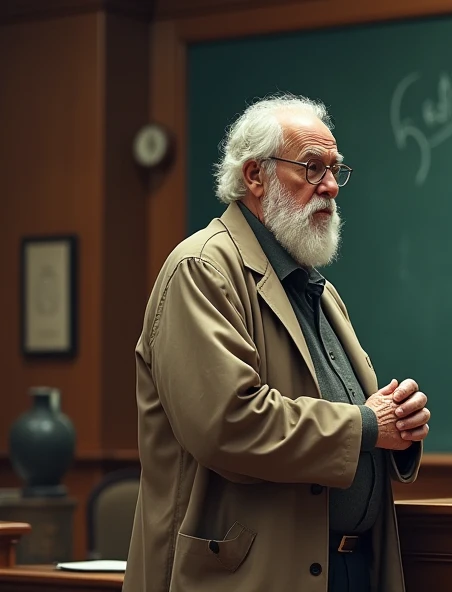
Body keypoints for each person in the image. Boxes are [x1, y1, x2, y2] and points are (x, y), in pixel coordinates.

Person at [123, 93, 430, 592]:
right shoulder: (202, 269)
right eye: (311, 168)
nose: (330, 186)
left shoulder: (317, 289)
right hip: (248, 576)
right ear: (255, 176)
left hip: (348, 569)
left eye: (334, 169)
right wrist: (371, 424)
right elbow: (229, 423)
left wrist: (399, 422)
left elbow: (352, 416)